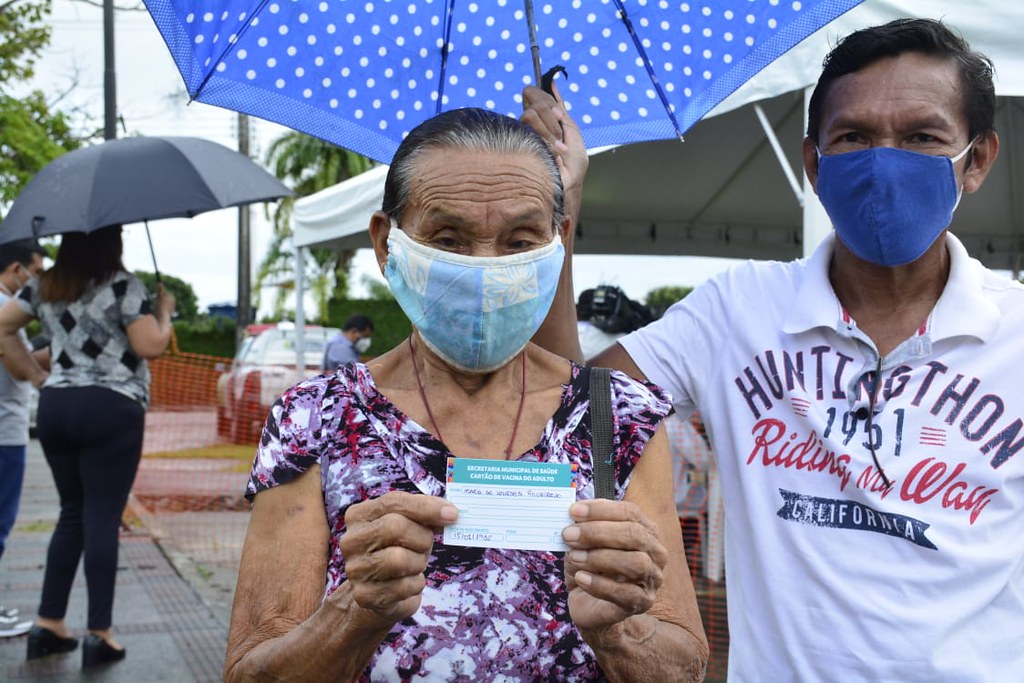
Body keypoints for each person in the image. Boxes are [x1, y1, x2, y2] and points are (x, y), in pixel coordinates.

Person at [523, 17, 1021, 681]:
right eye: (854, 136)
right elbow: (570, 405)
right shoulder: (739, 311)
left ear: (979, 159)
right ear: (814, 163)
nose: (883, 159)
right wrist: (558, 201)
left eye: (923, 137)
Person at [224, 108, 708, 681]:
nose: (484, 269)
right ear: (386, 244)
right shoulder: (316, 418)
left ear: (559, 243)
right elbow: (250, 671)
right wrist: (353, 614)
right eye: (448, 238)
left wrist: (621, 632)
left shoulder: (619, 417)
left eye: (520, 239)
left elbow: (685, 665)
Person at [0, 225, 175, 668]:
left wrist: (34, 375)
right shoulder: (123, 285)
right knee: (101, 516)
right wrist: (165, 311)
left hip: (57, 406)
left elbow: (4, 328)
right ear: (110, 242)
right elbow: (149, 345)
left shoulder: (44, 284)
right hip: (112, 407)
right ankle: (100, 633)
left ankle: (49, 624)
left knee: (72, 514)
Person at [0, 239, 47, 639]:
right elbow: (19, 365)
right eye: (34, 270)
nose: (36, 279)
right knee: (0, 522)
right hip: (4, 430)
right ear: (16, 269)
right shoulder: (4, 309)